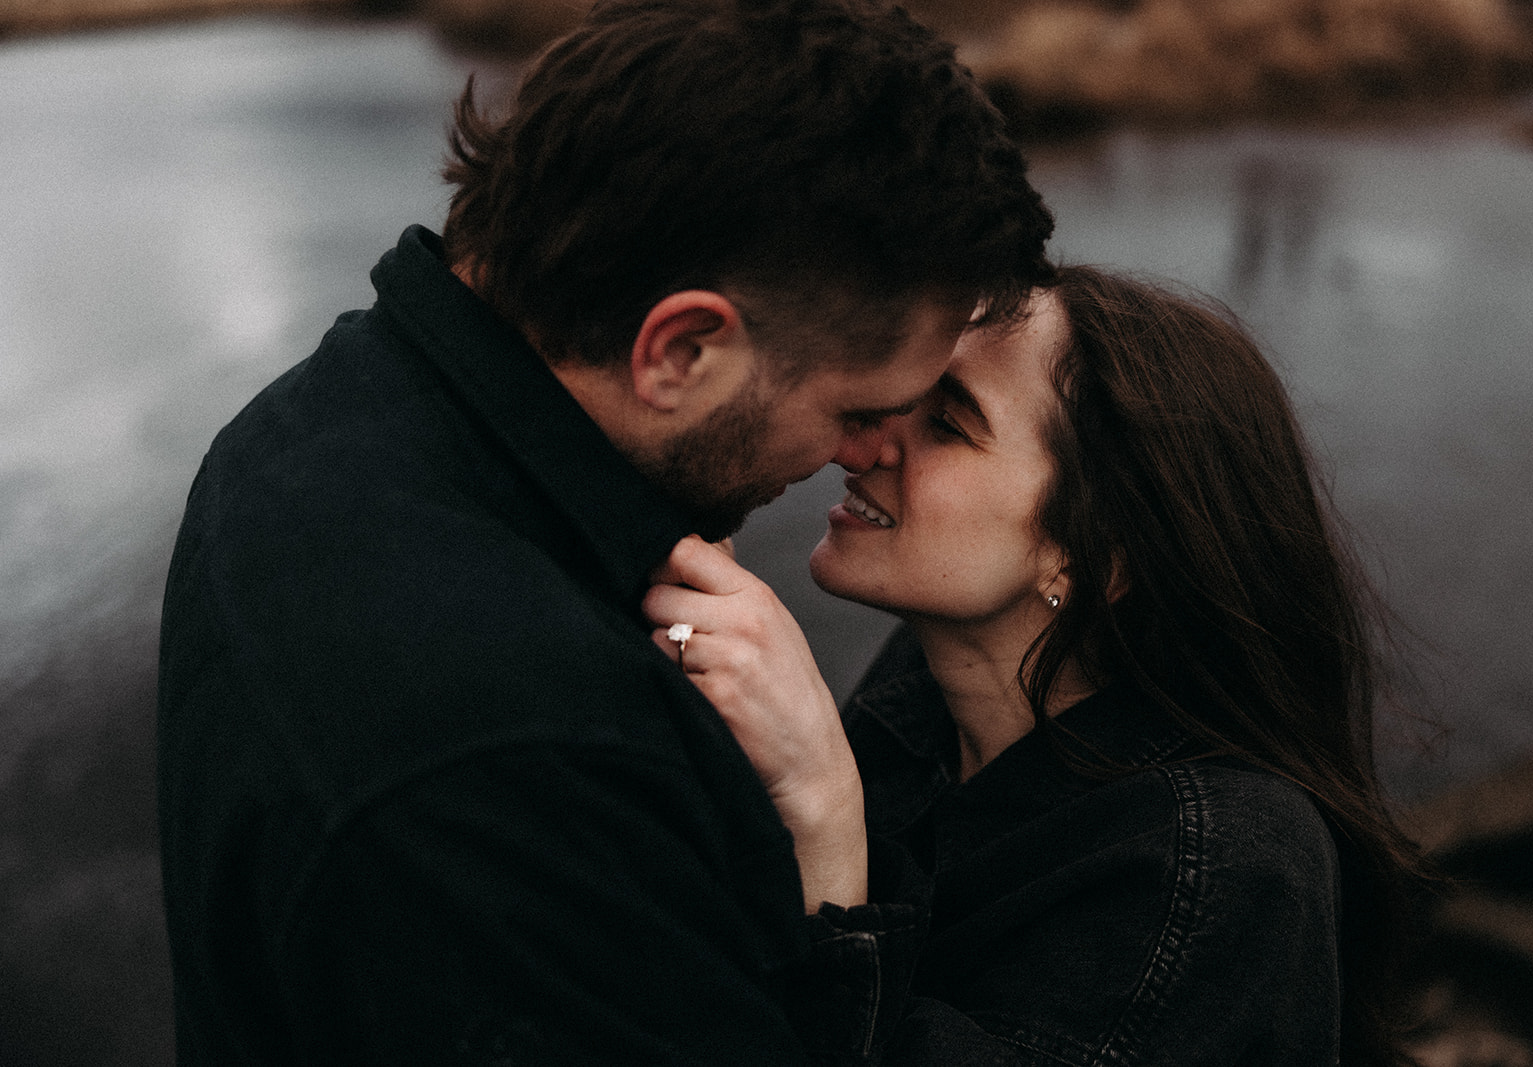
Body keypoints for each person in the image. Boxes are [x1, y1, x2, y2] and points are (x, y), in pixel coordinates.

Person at [155, 0, 1054, 1062]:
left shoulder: (320, 417)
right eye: (855, 410)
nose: (860, 451)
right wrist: (831, 901)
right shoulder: (517, 757)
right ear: (679, 349)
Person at [645, 267, 1429, 1064]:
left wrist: (823, 820)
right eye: (902, 391)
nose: (863, 440)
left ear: (1094, 558)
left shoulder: (1221, 867)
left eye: (948, 422)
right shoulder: (924, 685)